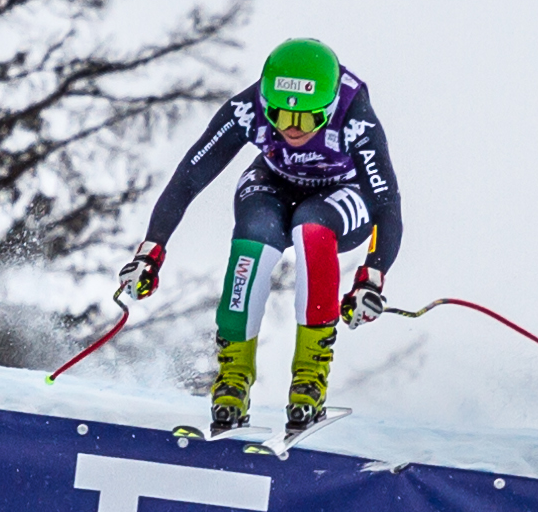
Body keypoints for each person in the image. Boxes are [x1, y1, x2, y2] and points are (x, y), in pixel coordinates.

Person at [117, 37, 404, 431]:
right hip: (273, 182)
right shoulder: (248, 108)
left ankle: (310, 379)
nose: (292, 128)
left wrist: (370, 277)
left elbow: (387, 205)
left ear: (330, 107)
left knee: (311, 228)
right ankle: (232, 380)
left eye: (307, 119)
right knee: (253, 237)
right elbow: (188, 178)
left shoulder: (355, 115)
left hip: (342, 195)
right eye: (280, 116)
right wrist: (149, 253)